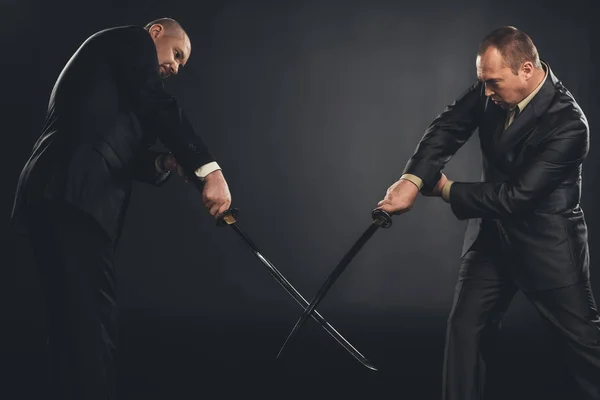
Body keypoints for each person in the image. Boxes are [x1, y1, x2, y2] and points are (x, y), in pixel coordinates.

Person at [9, 17, 231, 399]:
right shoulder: (131, 42)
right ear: (156, 32)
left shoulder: (115, 77)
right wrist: (209, 169)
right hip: (74, 193)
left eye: (182, 64)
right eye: (177, 53)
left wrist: (164, 163)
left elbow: (118, 150)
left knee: (71, 325)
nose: (175, 66)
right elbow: (158, 104)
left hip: (58, 191)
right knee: (90, 325)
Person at [377, 26, 600, 399]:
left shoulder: (569, 125)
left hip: (548, 248)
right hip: (491, 240)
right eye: (483, 82)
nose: (486, 91)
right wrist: (411, 180)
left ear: (526, 70)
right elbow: (448, 127)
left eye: (494, 82)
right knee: (465, 332)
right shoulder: (490, 89)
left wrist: (445, 189)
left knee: (586, 347)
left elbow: (517, 197)